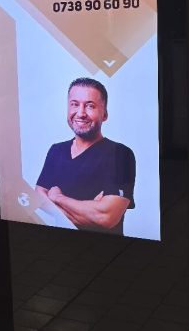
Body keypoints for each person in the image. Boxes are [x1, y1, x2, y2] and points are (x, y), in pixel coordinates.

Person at [36, 77, 135, 235]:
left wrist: (58, 198)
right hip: (57, 245)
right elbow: (38, 196)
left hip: (104, 249)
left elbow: (106, 217)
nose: (81, 113)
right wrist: (89, 209)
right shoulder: (56, 150)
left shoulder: (120, 155)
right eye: (74, 104)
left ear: (105, 114)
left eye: (90, 106)